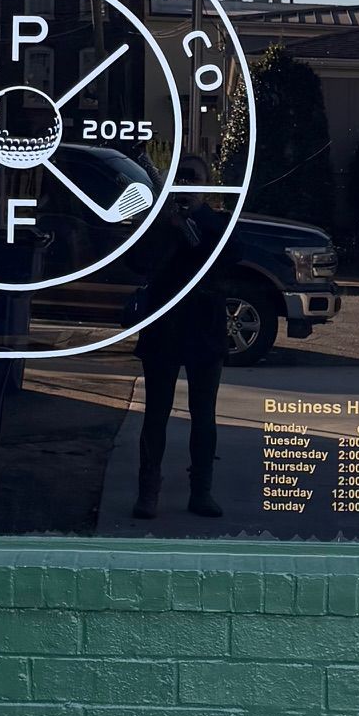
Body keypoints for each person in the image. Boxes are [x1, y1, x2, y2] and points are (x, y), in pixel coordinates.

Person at [131, 158, 230, 520]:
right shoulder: (158, 219)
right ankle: (148, 491)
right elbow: (139, 263)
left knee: (203, 415)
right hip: (164, 329)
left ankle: (201, 490)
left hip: (205, 329)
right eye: (181, 178)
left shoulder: (217, 222)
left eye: (194, 179)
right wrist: (166, 226)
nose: (187, 185)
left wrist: (194, 226)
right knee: (156, 413)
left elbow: (228, 261)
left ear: (207, 185)